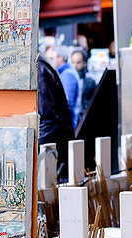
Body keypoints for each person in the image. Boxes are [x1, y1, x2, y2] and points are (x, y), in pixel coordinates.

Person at [37, 52, 74, 182]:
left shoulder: (38, 67)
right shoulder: (40, 64)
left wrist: (40, 150)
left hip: (51, 144)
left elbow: (46, 115)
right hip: (54, 142)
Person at [45, 44, 79, 130]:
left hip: (66, 125)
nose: (50, 62)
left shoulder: (67, 74)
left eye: (52, 58)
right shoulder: (64, 73)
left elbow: (68, 102)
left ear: (61, 58)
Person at [70, 47, 97, 125]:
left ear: (84, 63)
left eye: (78, 62)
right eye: (73, 62)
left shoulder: (90, 81)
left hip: (85, 117)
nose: (75, 65)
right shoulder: (68, 80)